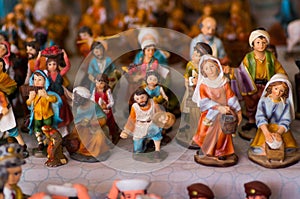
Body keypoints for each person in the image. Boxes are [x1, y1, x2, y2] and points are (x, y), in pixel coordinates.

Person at [234, 28, 287, 131]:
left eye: (263, 42)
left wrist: (282, 76)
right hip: (252, 85)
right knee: (251, 104)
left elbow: (278, 68)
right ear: (253, 44)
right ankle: (251, 121)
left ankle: (264, 122)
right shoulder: (248, 58)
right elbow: (242, 70)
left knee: (265, 104)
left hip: (266, 86)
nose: (261, 45)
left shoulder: (270, 57)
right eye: (258, 42)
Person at [192, 55, 242, 161]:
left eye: (212, 67)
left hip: (224, 114)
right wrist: (218, 107)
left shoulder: (224, 82)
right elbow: (204, 101)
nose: (210, 70)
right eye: (206, 68)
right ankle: (206, 149)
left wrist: (238, 110)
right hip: (210, 113)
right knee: (205, 132)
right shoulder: (203, 85)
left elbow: (231, 96)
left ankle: (221, 151)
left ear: (217, 67)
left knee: (222, 134)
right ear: (203, 71)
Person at [250, 74, 297, 156]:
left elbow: (286, 119)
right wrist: (266, 133)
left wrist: (278, 133)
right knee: (257, 148)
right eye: (276, 89)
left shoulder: (285, 104)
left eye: (281, 91)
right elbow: (260, 116)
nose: (278, 92)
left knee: (289, 149)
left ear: (285, 92)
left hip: (280, 128)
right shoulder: (263, 101)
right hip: (266, 127)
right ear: (270, 87)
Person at [64, 86, 110, 162]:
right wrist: (80, 124)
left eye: (77, 97)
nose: (75, 99)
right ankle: (82, 151)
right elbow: (78, 121)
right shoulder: (79, 108)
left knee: (98, 136)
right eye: (75, 97)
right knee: (77, 134)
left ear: (84, 97)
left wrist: (91, 122)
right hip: (83, 128)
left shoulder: (93, 106)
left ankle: (94, 153)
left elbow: (103, 118)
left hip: (95, 128)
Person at [35, 46, 73, 137]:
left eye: (54, 64)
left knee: (63, 115)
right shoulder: (45, 74)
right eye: (50, 64)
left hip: (61, 97)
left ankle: (65, 132)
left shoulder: (60, 74)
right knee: (52, 115)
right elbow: (36, 68)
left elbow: (68, 66)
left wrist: (65, 55)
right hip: (50, 98)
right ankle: (53, 131)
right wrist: (39, 57)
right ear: (47, 65)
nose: (52, 66)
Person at [26, 70, 62, 154]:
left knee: (48, 128)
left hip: (47, 115)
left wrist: (46, 96)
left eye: (39, 79)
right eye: (35, 80)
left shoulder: (48, 93)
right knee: (37, 128)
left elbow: (55, 99)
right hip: (37, 116)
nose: (37, 82)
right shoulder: (33, 93)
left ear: (45, 81)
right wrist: (30, 99)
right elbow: (28, 104)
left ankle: (48, 141)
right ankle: (40, 142)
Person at [180, 42, 212, 133]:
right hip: (192, 90)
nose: (193, 56)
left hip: (203, 92)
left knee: (202, 110)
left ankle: (202, 127)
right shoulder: (190, 65)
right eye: (193, 53)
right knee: (189, 109)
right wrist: (188, 87)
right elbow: (186, 77)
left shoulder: (207, 67)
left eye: (197, 55)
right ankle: (191, 125)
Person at [0, 58, 29, 158]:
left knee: (12, 129)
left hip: (3, 107)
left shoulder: (4, 78)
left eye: (0, 66)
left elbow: (11, 89)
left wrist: (4, 109)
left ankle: (22, 146)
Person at [120, 88, 163, 155]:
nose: (140, 100)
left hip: (151, 123)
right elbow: (131, 119)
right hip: (139, 126)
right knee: (137, 147)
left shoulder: (153, 102)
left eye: (142, 97)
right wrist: (126, 131)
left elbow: (159, 112)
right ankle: (140, 150)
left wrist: (162, 118)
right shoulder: (134, 107)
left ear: (146, 96)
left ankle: (157, 150)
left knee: (156, 133)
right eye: (137, 99)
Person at [91, 74, 119, 144]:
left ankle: (114, 136)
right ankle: (104, 138)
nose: (99, 84)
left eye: (101, 83)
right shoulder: (95, 90)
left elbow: (112, 102)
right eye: (97, 82)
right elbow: (92, 98)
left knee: (110, 124)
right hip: (98, 110)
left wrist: (106, 106)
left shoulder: (107, 91)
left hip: (106, 111)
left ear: (105, 83)